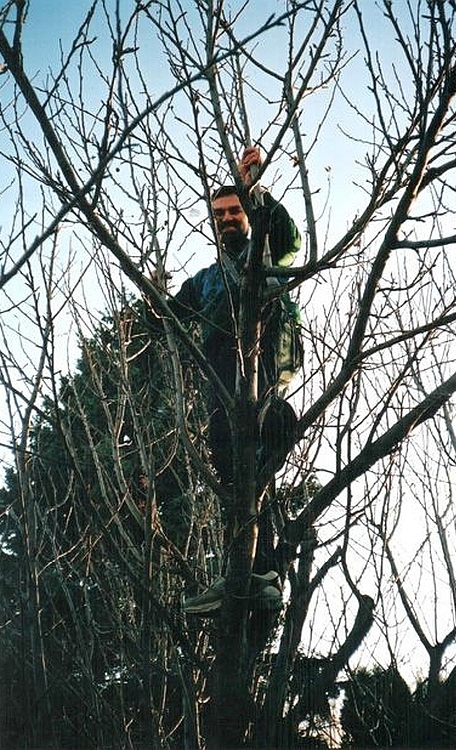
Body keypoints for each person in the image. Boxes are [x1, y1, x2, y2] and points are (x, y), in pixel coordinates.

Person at [146, 147, 301, 613]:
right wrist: (155, 296)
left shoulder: (264, 251)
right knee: (234, 477)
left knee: (263, 451)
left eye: (235, 210)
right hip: (221, 386)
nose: (228, 218)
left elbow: (287, 235)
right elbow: (168, 321)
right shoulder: (206, 280)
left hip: (264, 372)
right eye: (220, 213)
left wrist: (255, 188)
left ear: (247, 214)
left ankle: (266, 571)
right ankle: (246, 574)